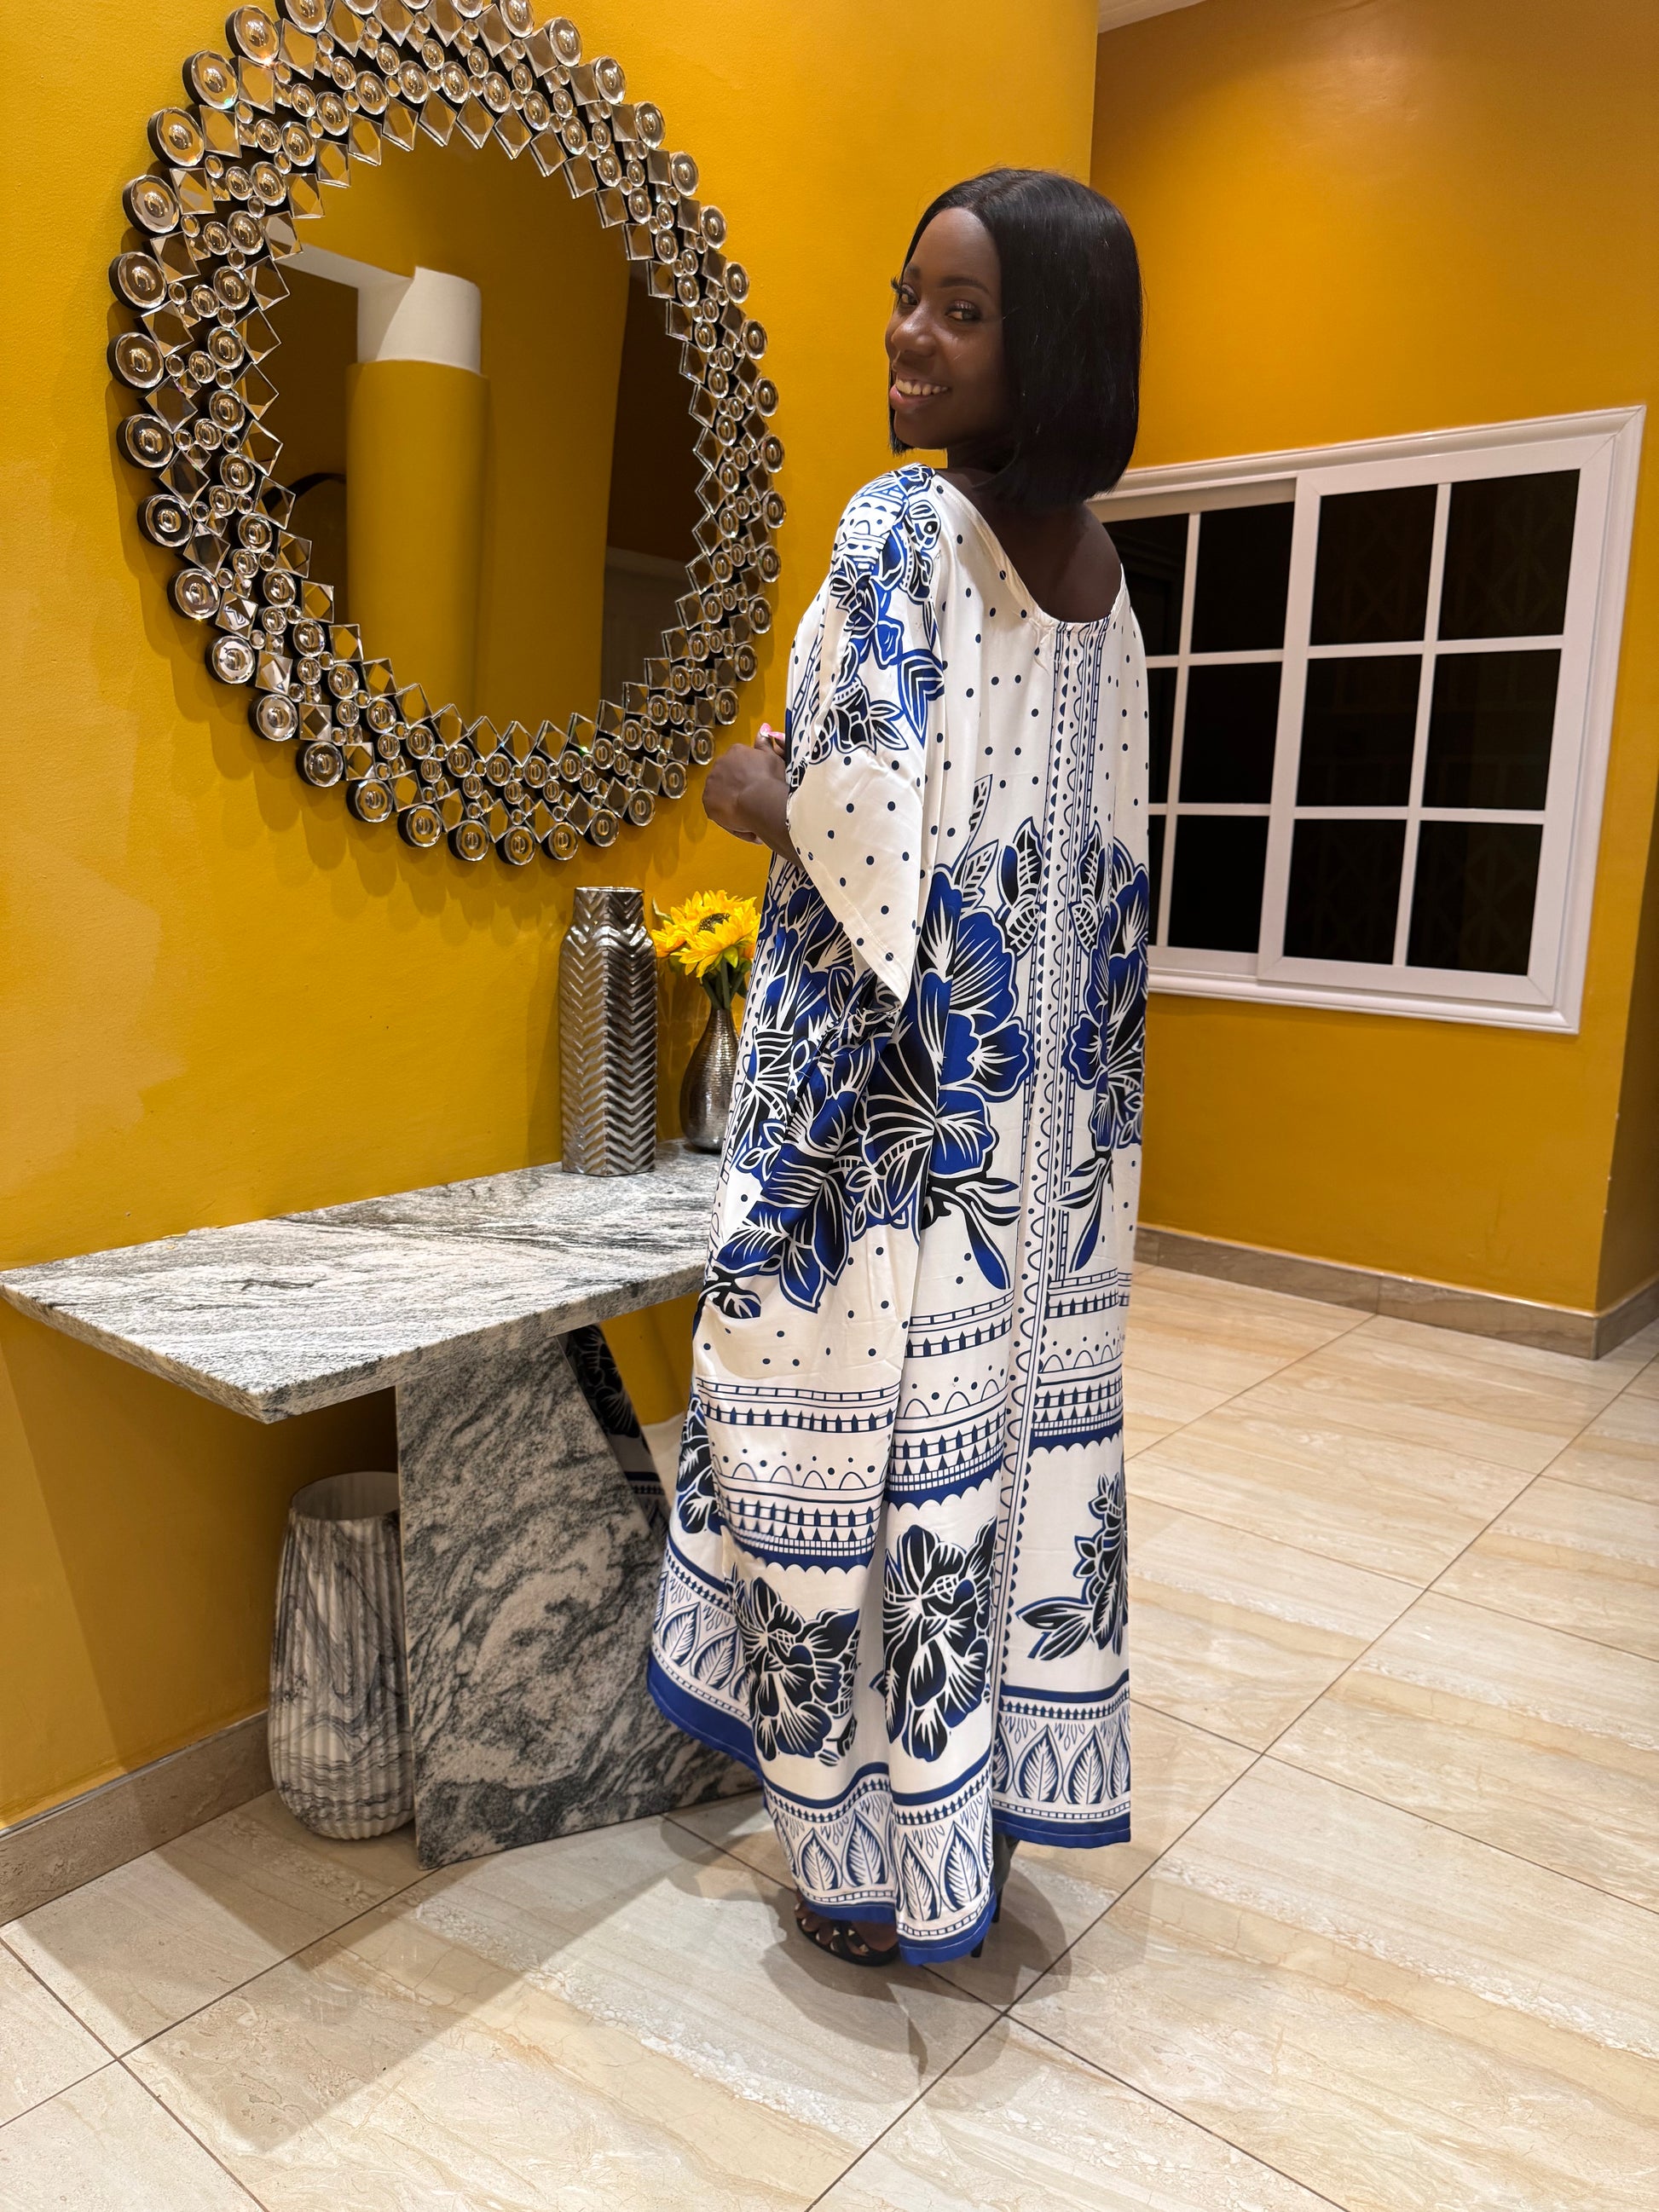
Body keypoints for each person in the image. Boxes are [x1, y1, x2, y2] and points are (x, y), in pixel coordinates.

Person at [649, 169, 1148, 1967]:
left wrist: (749, 785)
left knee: (825, 1450)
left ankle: (861, 1871)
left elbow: (867, 846)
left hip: (888, 1141)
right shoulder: (1109, 592)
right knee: (989, 1472)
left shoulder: (899, 528)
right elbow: (1088, 888)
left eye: (964, 310)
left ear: (1051, 347)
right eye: (908, 293)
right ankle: (967, 1830)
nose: (908, 335)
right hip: (1040, 1171)